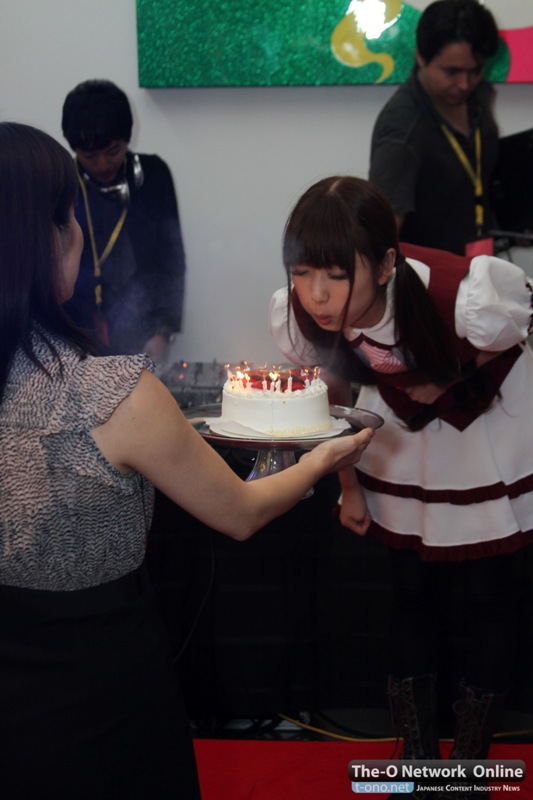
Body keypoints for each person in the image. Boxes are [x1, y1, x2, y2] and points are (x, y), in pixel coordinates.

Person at [0, 125, 374, 800]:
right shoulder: (111, 392)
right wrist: (327, 459)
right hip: (99, 689)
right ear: (49, 239)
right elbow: (240, 512)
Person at [269, 176, 533, 797]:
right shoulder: (299, 313)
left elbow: (516, 338)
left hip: (488, 428)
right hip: (403, 436)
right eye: (303, 273)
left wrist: (450, 385)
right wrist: (349, 488)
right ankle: (417, 768)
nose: (317, 295)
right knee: (410, 589)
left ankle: (467, 770)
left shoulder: (466, 295)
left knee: (490, 594)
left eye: (335, 274)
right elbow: (330, 400)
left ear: (387, 263)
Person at [61, 79, 186, 365]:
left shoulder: (151, 175)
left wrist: (162, 332)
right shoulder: (62, 181)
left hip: (142, 329)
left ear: (127, 140)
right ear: (73, 145)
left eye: (113, 151)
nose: (103, 164)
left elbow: (170, 260)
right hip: (75, 330)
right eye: (90, 156)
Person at [369, 0, 500, 256]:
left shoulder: (479, 96)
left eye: (475, 71)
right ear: (421, 56)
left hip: (478, 272)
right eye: (452, 72)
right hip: (428, 284)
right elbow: (380, 235)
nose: (464, 84)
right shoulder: (402, 128)